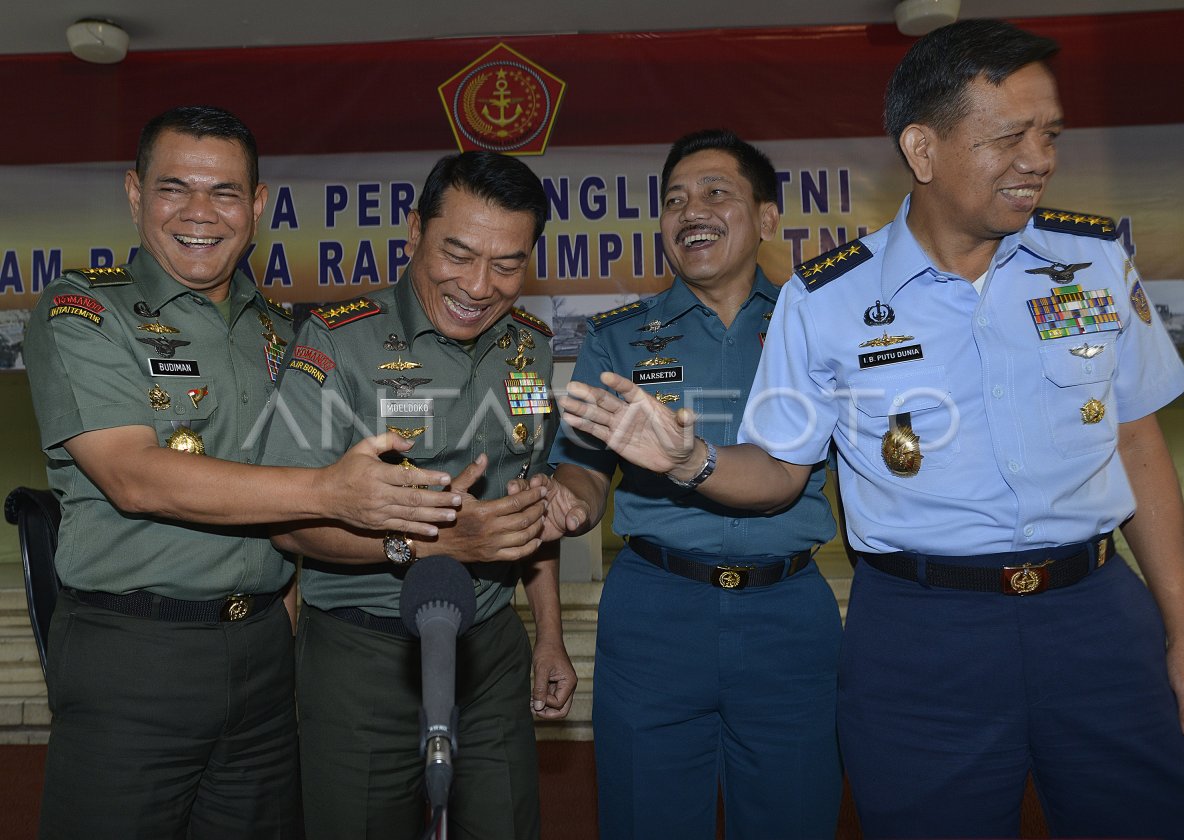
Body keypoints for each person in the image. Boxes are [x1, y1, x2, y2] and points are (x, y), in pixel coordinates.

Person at [557, 19, 1184, 840]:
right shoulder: (826, 301)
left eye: (1049, 135)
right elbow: (780, 470)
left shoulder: (1095, 263)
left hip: (1100, 615)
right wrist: (692, 460)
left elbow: (1137, 442)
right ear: (923, 150)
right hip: (924, 631)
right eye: (1009, 137)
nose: (1038, 158)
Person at [23, 106, 466, 839]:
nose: (201, 213)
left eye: (226, 192)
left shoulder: (283, 333)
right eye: (174, 189)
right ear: (135, 195)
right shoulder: (85, 312)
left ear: (257, 206)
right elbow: (134, 476)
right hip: (135, 652)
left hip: (265, 658)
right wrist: (329, 493)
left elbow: (306, 480)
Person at [261, 150, 577, 840]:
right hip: (365, 655)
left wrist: (548, 634)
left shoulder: (530, 348)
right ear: (413, 234)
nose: (479, 285)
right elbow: (290, 526)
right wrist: (435, 540)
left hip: (491, 646)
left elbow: (528, 497)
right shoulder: (339, 343)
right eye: (457, 254)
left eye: (507, 264)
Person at [539, 130, 842, 839]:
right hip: (656, 616)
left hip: (789, 612)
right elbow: (583, 463)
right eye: (674, 200)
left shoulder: (817, 326)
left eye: (715, 193)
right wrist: (572, 504)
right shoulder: (618, 338)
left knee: (795, 816)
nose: (690, 211)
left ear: (768, 218)